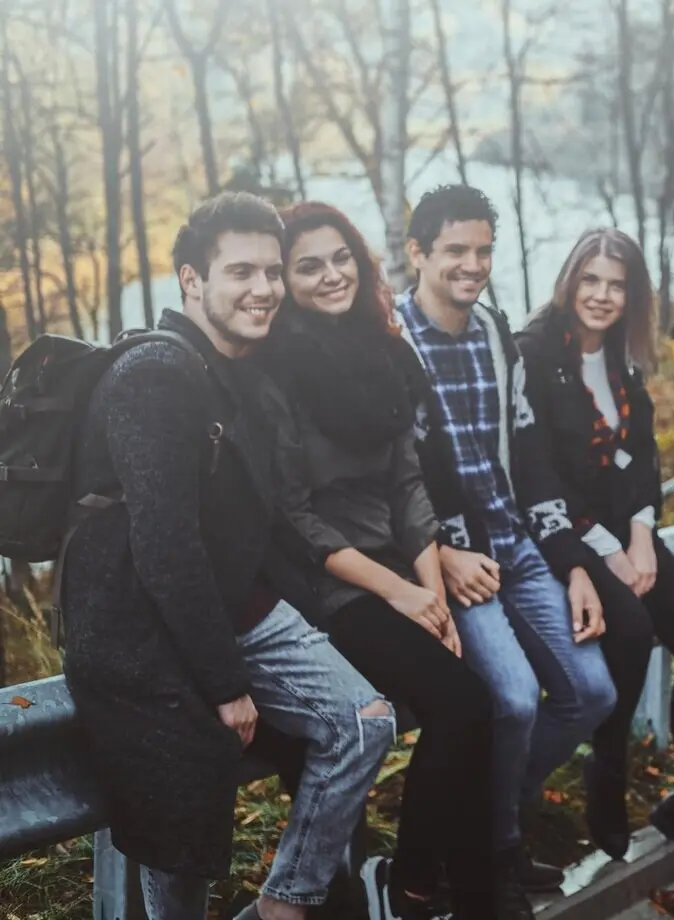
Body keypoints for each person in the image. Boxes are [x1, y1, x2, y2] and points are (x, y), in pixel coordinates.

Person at [60, 192, 395, 920]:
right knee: (181, 833)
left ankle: (285, 905)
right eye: (240, 271)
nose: (264, 289)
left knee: (363, 720)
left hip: (225, 602)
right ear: (190, 281)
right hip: (140, 630)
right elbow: (164, 545)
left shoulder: (235, 367)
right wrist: (224, 683)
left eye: (271, 272)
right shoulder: (156, 375)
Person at [255, 202, 519, 920]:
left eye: (341, 258)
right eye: (308, 265)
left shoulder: (385, 350)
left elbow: (409, 483)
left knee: (472, 704)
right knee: (465, 704)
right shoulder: (272, 370)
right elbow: (292, 515)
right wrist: (400, 595)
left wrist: (432, 594)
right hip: (331, 582)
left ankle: (472, 896)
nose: (331, 274)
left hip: (403, 570)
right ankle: (411, 880)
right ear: (284, 278)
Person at [396, 184, 618, 893]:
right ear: (417, 253)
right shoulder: (392, 341)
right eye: (455, 250)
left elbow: (528, 457)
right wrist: (439, 550)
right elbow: (391, 476)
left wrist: (574, 565)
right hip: (453, 555)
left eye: (483, 250)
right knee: (515, 700)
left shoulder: (495, 332)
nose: (472, 264)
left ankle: (484, 816)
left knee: (592, 692)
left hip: (517, 544)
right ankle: (497, 851)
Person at [516, 229, 674, 887]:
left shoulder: (623, 359)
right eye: (591, 280)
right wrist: (609, 550)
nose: (602, 296)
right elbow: (540, 473)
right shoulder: (531, 356)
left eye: (616, 285)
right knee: (634, 633)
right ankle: (604, 772)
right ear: (569, 281)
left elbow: (642, 454)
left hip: (627, 531)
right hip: (564, 535)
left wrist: (642, 535)